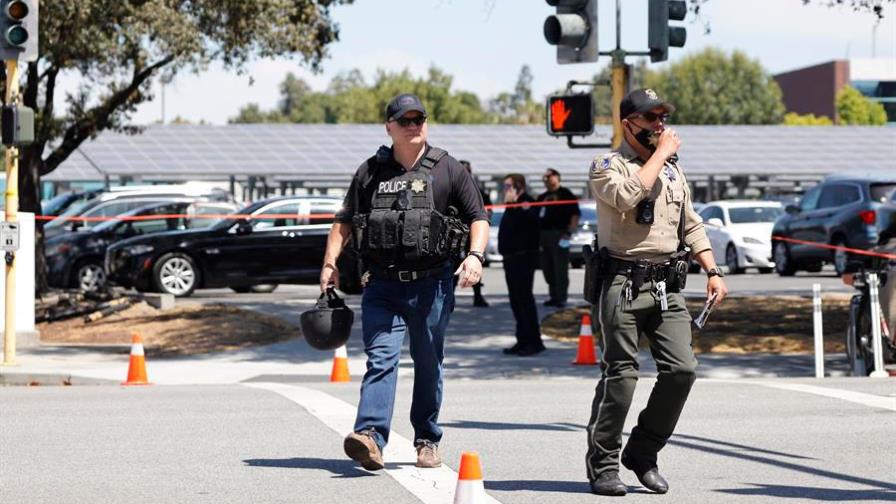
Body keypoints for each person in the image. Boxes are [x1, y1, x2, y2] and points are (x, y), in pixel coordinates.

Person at [320, 93, 489, 471]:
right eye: (406, 120)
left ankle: (426, 438)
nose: (414, 126)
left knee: (428, 363)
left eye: (419, 119)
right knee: (381, 358)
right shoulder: (369, 172)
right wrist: (330, 264)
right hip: (382, 285)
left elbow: (479, 216)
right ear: (389, 127)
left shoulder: (448, 168)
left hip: (432, 285)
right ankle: (369, 437)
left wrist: (475, 256)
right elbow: (344, 221)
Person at [584, 88, 728, 496]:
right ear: (628, 123)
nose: (660, 126)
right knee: (622, 376)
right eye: (651, 119)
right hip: (622, 283)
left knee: (682, 370)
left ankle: (643, 452)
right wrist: (660, 155)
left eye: (663, 118)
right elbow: (627, 196)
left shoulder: (671, 170)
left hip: (666, 284)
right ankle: (604, 465)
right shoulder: (606, 165)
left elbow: (691, 222)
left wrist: (712, 270)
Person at [498, 173, 545, 356]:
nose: (505, 190)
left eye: (508, 186)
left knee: (525, 301)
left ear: (518, 186)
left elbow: (532, 222)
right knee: (516, 302)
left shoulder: (526, 203)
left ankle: (534, 341)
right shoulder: (512, 205)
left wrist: (517, 206)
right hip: (511, 258)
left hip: (523, 258)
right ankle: (522, 338)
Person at [537, 168, 580, 308]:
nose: (546, 180)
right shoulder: (542, 197)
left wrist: (569, 233)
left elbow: (575, 215)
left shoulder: (566, 194)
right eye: (544, 178)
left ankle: (561, 297)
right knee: (547, 267)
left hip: (561, 234)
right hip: (544, 235)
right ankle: (553, 295)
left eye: (548, 177)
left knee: (560, 267)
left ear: (556, 177)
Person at [459, 160, 491, 308]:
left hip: (472, 231)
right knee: (452, 264)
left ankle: (478, 296)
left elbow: (485, 210)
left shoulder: (477, 190)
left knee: (474, 261)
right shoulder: (454, 186)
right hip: (456, 232)